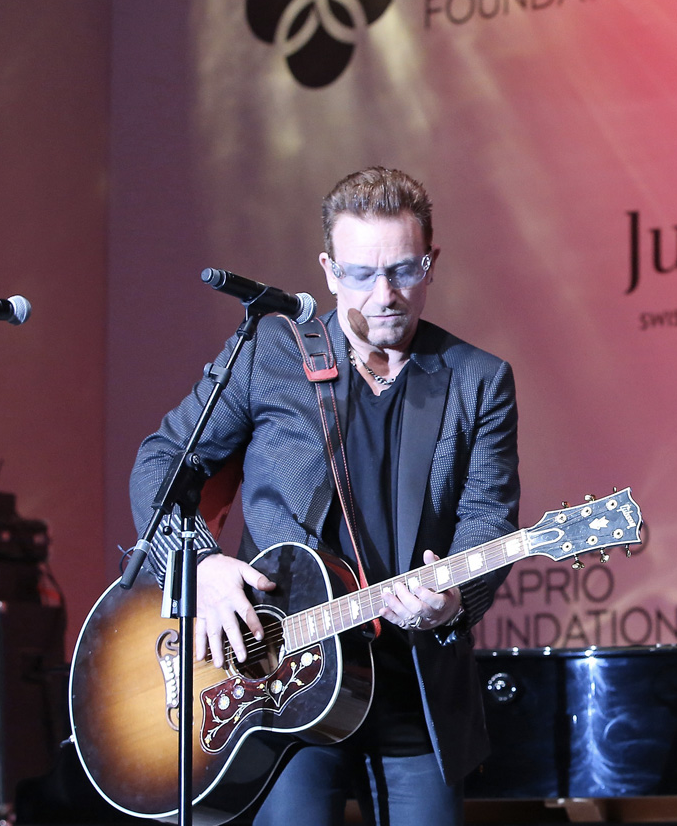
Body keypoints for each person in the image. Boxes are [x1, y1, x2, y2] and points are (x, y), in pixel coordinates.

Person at [129, 167, 520, 826]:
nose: (385, 293)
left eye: (404, 269)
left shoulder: (478, 380)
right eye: (362, 274)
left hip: (412, 683)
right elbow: (163, 460)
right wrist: (202, 566)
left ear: (432, 263)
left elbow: (488, 516)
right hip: (279, 680)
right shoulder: (269, 353)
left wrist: (454, 599)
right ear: (329, 271)